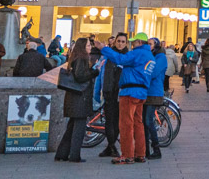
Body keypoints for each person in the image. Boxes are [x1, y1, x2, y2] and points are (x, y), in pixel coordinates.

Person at [95, 32, 154, 165]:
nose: (132, 44)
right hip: (142, 93)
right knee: (138, 123)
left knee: (126, 124)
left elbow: (119, 59)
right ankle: (140, 154)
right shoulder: (150, 56)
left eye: (134, 42)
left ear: (139, 42)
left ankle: (127, 155)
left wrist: (104, 48)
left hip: (129, 91)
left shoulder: (137, 53)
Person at [54, 37, 98, 163]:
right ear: (83, 47)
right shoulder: (82, 58)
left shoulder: (75, 57)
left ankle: (62, 153)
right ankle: (74, 155)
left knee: (71, 127)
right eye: (88, 45)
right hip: (80, 98)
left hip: (74, 97)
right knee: (79, 128)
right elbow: (80, 77)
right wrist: (94, 72)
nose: (90, 47)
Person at [143, 38, 167, 160]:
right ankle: (145, 149)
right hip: (146, 92)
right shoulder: (150, 56)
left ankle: (156, 148)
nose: (148, 46)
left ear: (156, 45)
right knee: (144, 122)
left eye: (150, 44)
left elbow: (152, 73)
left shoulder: (161, 57)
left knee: (148, 121)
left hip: (154, 92)